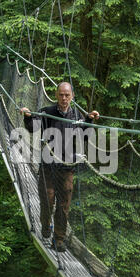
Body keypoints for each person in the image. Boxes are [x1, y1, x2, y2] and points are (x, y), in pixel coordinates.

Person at [20, 82, 100, 252]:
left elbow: (85, 135)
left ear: (72, 97)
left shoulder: (76, 115)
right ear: (56, 95)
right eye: (61, 95)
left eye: (67, 95)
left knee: (63, 204)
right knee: (48, 199)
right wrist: (27, 116)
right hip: (48, 164)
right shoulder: (47, 112)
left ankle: (59, 239)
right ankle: (45, 223)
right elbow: (33, 127)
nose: (64, 98)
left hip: (66, 166)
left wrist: (89, 120)